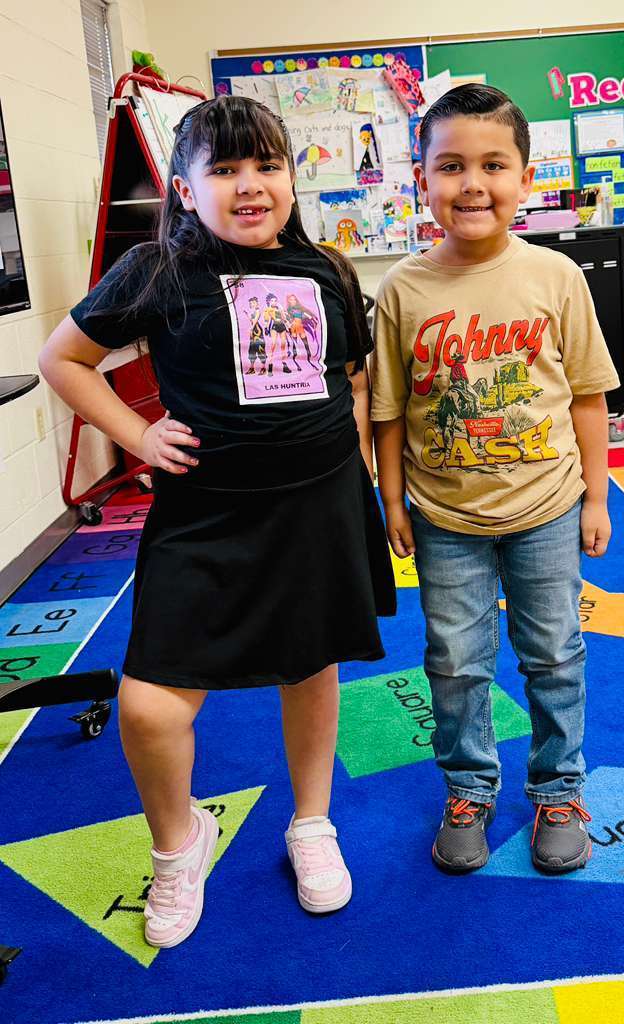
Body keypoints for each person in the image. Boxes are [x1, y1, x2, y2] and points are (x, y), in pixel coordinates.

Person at [39, 94, 395, 948]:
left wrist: (358, 479)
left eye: (267, 165)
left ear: (291, 180)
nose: (249, 185)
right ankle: (179, 842)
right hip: (206, 519)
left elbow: (347, 378)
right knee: (151, 707)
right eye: (224, 169)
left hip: (318, 511)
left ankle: (311, 823)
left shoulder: (330, 272)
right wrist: (137, 434)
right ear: (187, 190)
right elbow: (64, 357)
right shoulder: (156, 269)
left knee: (310, 669)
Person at [371, 84, 619, 876]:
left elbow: (586, 392)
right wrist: (391, 500)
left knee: (554, 652)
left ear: (525, 176)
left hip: (546, 505)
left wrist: (598, 494)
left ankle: (558, 788)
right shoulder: (402, 291)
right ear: (422, 180)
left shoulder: (555, 275)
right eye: (450, 166)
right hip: (444, 514)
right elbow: (386, 412)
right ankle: (470, 785)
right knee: (454, 660)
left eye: (492, 164)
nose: (472, 183)